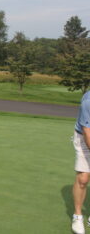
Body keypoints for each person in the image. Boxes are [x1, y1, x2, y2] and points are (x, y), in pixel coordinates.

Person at [72, 91, 90, 234]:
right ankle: (77, 216)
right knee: (83, 178)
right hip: (84, 136)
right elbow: (87, 132)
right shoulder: (88, 101)